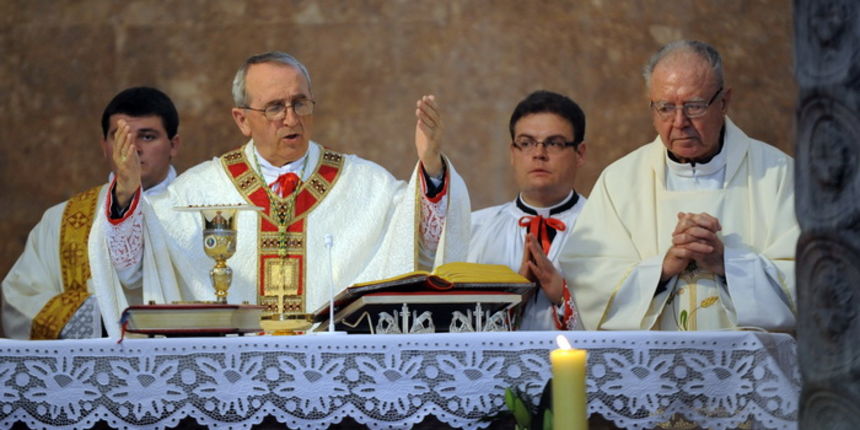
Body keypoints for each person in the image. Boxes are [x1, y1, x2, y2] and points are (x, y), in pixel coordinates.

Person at [90, 51, 470, 337]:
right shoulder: (196, 191)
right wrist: (126, 192)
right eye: (275, 107)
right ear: (242, 119)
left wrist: (432, 169)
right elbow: (132, 267)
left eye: (300, 103)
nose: (291, 118)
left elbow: (423, 242)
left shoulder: (365, 184)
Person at [560, 40, 798, 331]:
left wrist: (726, 262)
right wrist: (663, 268)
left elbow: (812, 279)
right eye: (665, 107)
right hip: (652, 359)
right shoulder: (619, 181)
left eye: (694, 106)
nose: (679, 121)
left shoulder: (779, 175)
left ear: (724, 102)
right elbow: (589, 279)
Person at [1, 87, 181, 339]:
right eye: (120, 137)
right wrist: (102, 319)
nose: (132, 149)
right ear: (104, 146)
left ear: (173, 145)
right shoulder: (61, 220)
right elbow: (19, 299)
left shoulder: (198, 210)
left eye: (147, 137)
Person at [468, 91, 586, 330]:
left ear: (580, 153)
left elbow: (623, 320)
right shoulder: (475, 230)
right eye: (526, 143)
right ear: (513, 153)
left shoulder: (607, 227)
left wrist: (563, 296)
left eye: (554, 143)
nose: (538, 154)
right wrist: (514, 298)